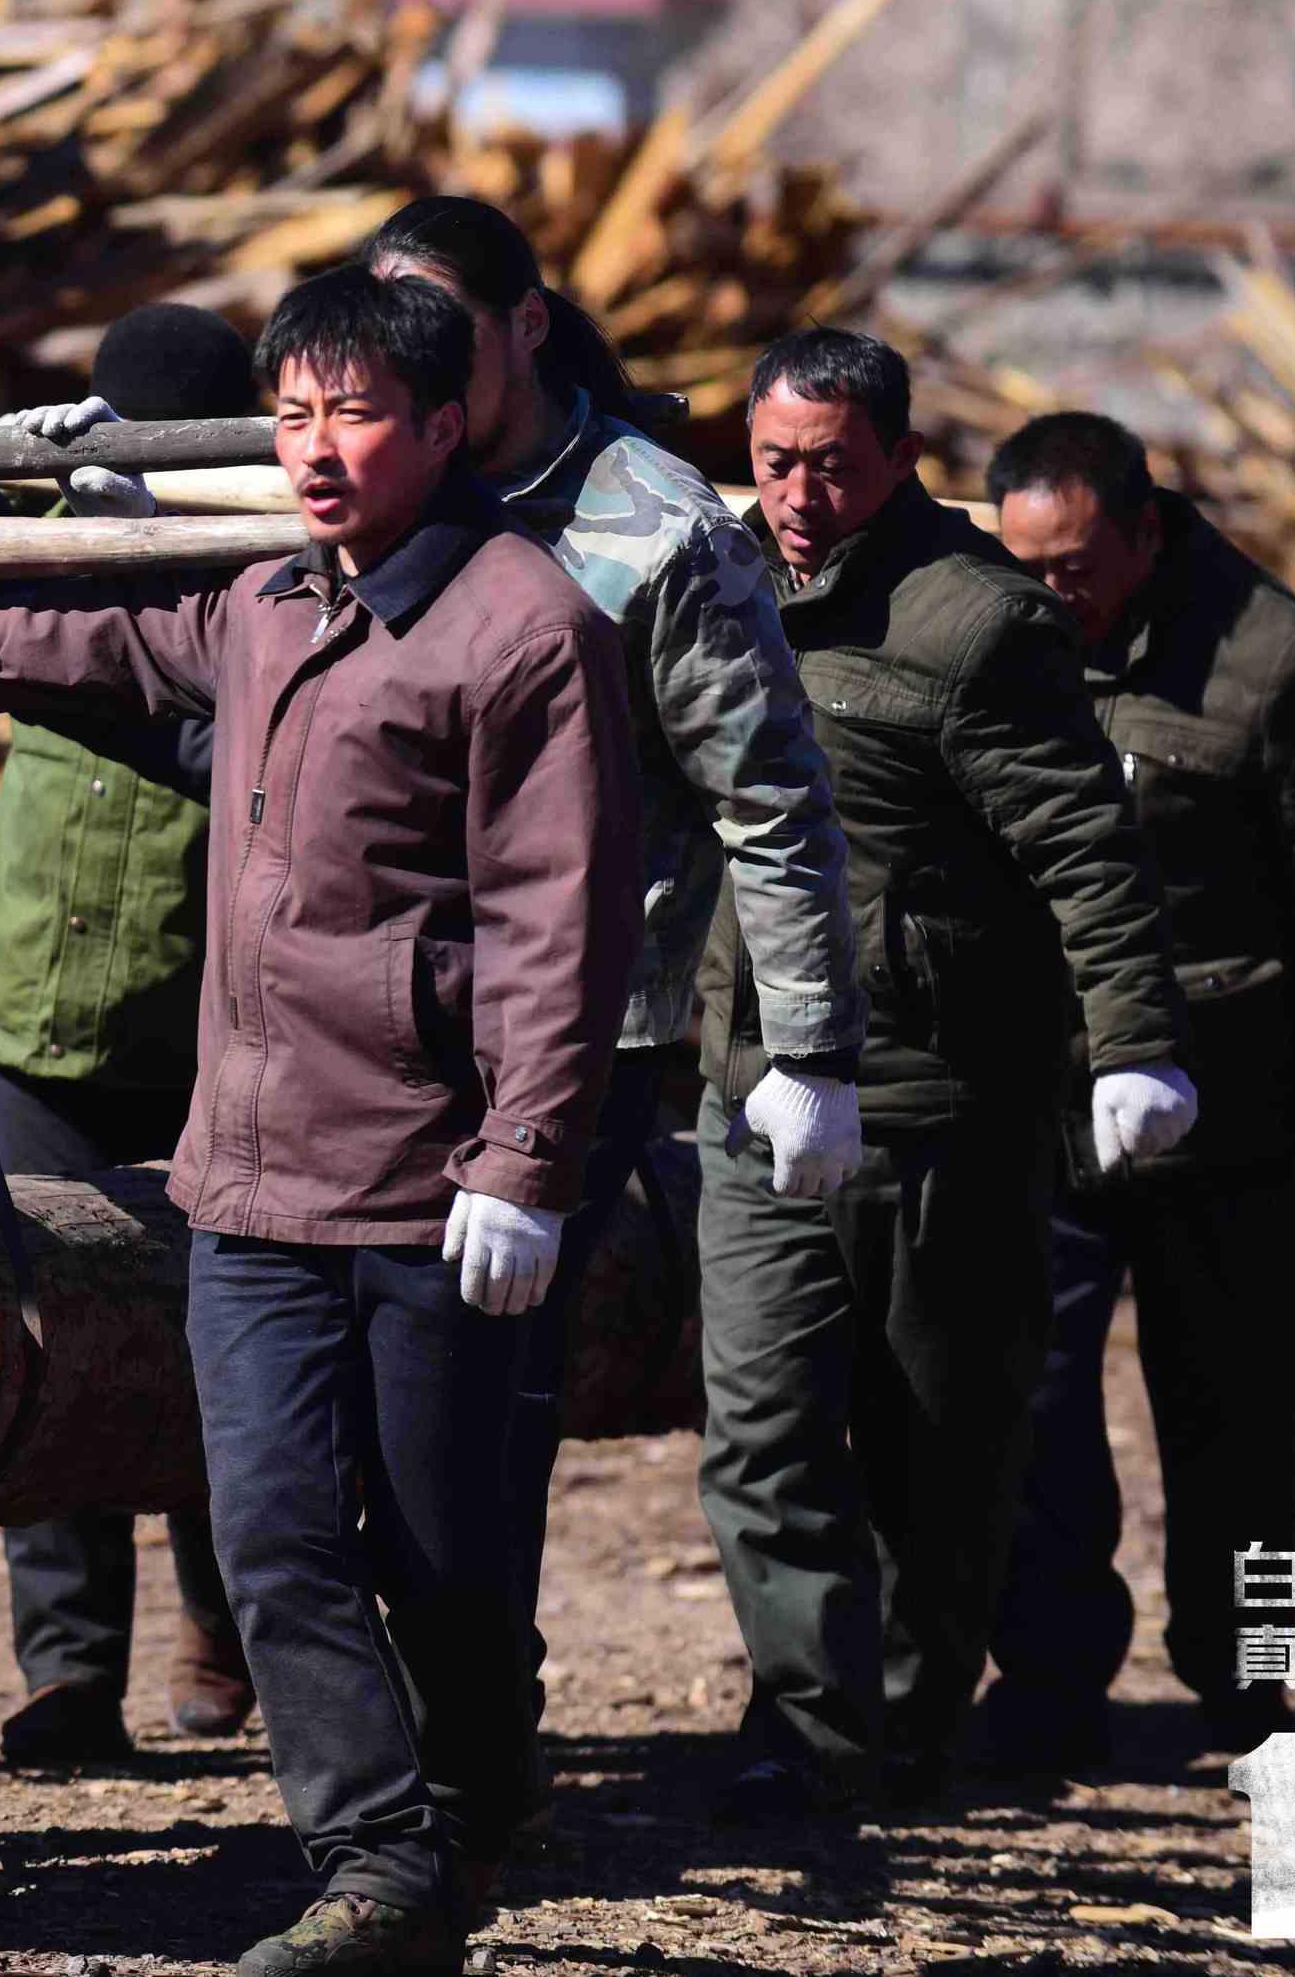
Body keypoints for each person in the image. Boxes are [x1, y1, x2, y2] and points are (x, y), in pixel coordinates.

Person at [0, 267, 642, 1977]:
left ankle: (477, 1791)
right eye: (291, 416)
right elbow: (110, 638)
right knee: (269, 1534)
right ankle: (380, 1869)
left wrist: (526, 1162)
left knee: (438, 1554)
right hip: (248, 1175)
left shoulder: (520, 630)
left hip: (428, 1174)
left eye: (351, 416)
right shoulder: (268, 600)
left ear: (437, 425)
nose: (315, 450)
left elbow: (566, 918)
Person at [355, 198, 867, 1866]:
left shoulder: (653, 528)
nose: (402, 357)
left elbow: (769, 796)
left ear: (525, 325)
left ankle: (509, 1754)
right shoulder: (374, 485)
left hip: (595, 1027)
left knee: (524, 1397)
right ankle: (450, 1743)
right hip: (382, 1020)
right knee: (396, 1407)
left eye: (437, 318)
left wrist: (809, 1045)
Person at [690, 329, 1199, 1825]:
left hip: (936, 1101)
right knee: (765, 1429)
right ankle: (810, 1727)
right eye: (773, 460)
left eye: (831, 465)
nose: (794, 494)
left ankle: (906, 1722)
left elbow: (1081, 851)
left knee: (937, 1438)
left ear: (902, 460)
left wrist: (1136, 1042)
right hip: (759, 1087)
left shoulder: (974, 624)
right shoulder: (715, 588)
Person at [977, 411, 1295, 1768]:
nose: (1050, 594)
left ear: (1145, 530)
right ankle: (1046, 1676)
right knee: (1027, 1398)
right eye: (1025, 565)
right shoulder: (996, 635)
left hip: (1232, 1105)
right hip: (1045, 1102)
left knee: (1236, 1412)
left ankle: (1242, 1687)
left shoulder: (1276, 663)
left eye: (1074, 566)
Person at [0, 303, 261, 1766]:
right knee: (50, 1337)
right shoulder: (42, 532)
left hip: (205, 1017)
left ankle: (222, 1621)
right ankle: (68, 1664)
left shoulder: (263, 572)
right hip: (31, 1007)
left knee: (223, 1342)